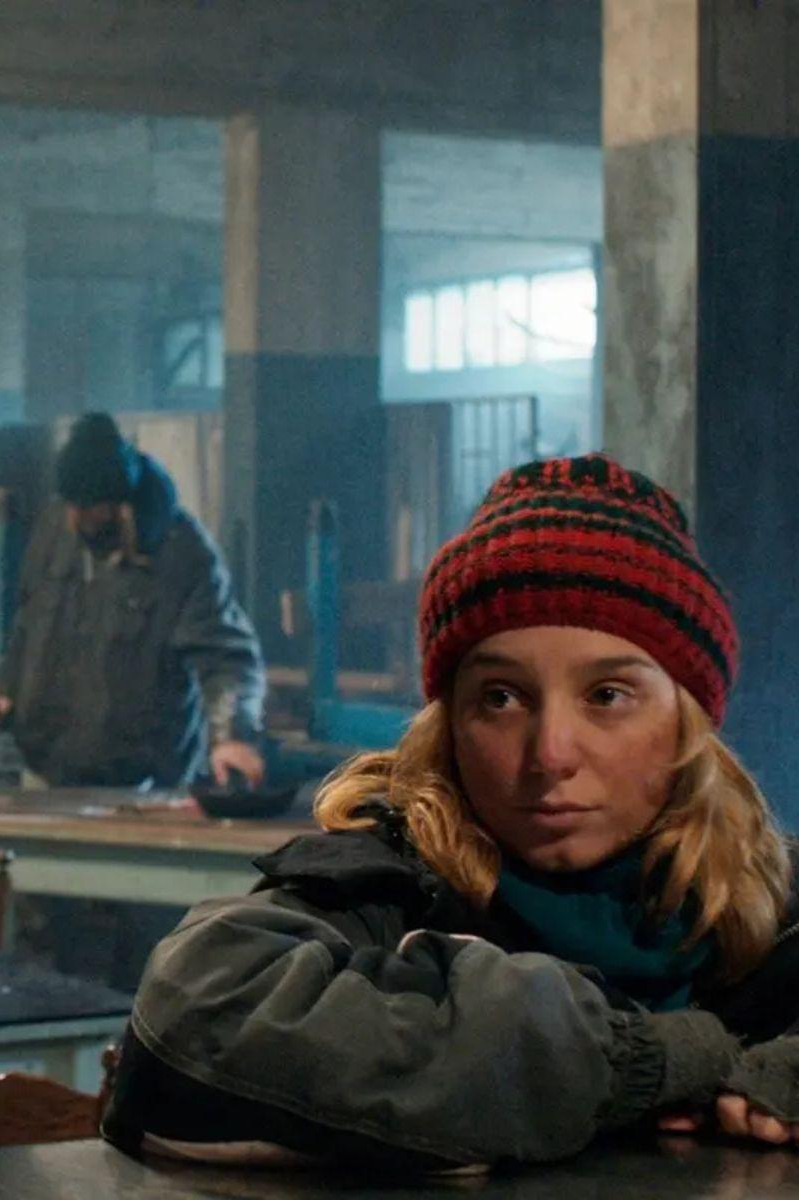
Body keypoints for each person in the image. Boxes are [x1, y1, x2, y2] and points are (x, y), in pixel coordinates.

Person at [104, 455, 799, 1171]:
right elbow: (195, 1013)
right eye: (501, 697)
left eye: (607, 696)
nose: (550, 754)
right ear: (451, 723)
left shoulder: (771, 904)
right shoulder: (386, 892)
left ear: (689, 722)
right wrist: (642, 1061)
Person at [0, 412, 266, 791]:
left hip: (140, 785)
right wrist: (5, 691)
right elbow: (29, 621)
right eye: (69, 504)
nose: (72, 518)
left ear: (120, 504)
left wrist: (231, 735)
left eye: (86, 507)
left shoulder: (183, 555)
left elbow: (227, 657)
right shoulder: (57, 526)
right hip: (45, 769)